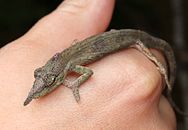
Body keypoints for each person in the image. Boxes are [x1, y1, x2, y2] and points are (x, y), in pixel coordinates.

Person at [0, 0, 176, 129]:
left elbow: (88, 73)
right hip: (119, 38)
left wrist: (75, 84)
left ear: (58, 76)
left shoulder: (70, 65)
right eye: (39, 76)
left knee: (153, 52)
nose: (39, 89)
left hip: (136, 40)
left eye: (50, 82)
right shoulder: (61, 60)